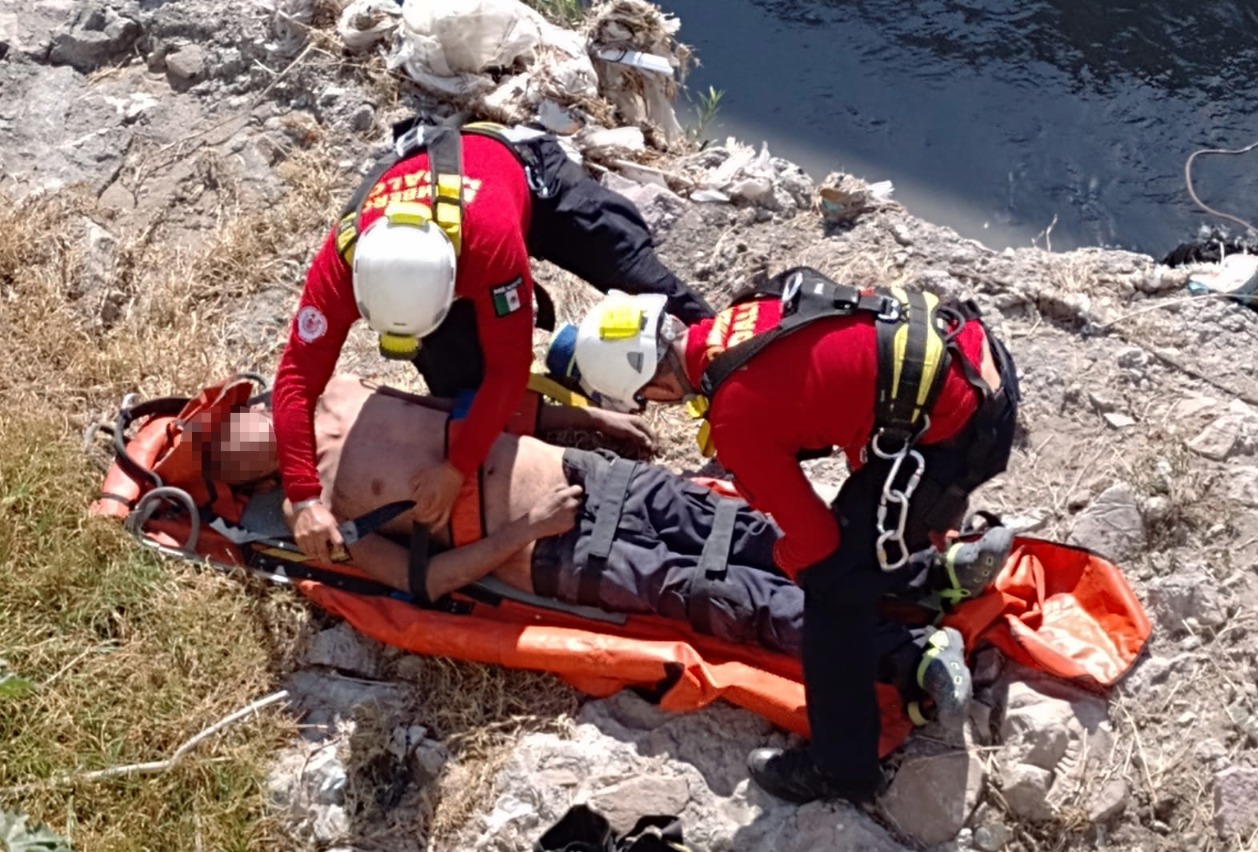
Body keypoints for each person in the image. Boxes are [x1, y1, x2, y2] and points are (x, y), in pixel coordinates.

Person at [213, 373, 974, 715]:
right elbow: (425, 586)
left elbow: (471, 409)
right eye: (224, 455)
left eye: (227, 425)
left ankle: (921, 580)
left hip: (589, 475)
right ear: (242, 482)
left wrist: (594, 424)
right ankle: (906, 658)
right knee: (725, 596)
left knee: (749, 531)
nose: (238, 442)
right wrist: (527, 529)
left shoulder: (340, 390)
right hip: (554, 553)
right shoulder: (317, 521)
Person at [567, 267, 1021, 804]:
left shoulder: (736, 418)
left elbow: (816, 540)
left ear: (658, 385)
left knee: (830, 589)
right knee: (860, 537)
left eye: (646, 398)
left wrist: (789, 559)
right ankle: (940, 575)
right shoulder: (739, 318)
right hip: (974, 361)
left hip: (959, 429)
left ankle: (842, 769)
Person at [274, 119, 714, 564]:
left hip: (527, 179)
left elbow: (509, 369)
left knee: (641, 278)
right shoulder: (342, 264)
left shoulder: (489, 247)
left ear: (454, 284)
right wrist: (305, 496)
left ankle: (732, 368)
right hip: (447, 217)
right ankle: (573, 368)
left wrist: (456, 468)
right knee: (461, 380)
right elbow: (295, 378)